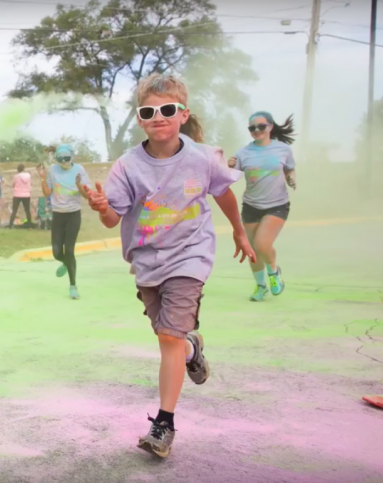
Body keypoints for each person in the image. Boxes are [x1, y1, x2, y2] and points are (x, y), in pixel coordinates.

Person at [82, 73, 255, 458]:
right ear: (140, 118)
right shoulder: (127, 166)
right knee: (170, 336)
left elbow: (223, 193)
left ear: (182, 113)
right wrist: (102, 207)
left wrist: (240, 232)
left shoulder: (201, 157)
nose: (158, 116)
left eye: (167, 109)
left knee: (166, 339)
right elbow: (113, 219)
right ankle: (193, 349)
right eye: (148, 111)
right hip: (147, 261)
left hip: (190, 255)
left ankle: (164, 424)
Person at [227, 112, 297, 302]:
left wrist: (291, 177)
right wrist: (228, 166)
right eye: (252, 128)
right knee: (252, 250)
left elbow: (290, 168)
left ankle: (274, 273)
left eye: (261, 126)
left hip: (277, 205)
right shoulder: (243, 153)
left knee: (262, 244)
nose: (256, 130)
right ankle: (260, 286)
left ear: (270, 127)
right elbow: (228, 177)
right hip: (251, 205)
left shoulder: (283, 149)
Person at [37, 144, 91, 300]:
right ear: (57, 159)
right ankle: (67, 264)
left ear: (71, 156)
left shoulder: (79, 170)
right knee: (56, 252)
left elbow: (87, 196)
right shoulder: (53, 170)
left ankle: (73, 285)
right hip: (58, 215)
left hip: (73, 215)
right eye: (61, 159)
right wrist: (42, 177)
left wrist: (80, 185)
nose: (64, 162)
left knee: (69, 250)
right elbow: (47, 193)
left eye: (67, 159)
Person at [9, 163, 32, 228]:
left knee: (14, 210)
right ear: (24, 169)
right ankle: (29, 225)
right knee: (27, 210)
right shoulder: (28, 175)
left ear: (17, 170)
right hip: (26, 194)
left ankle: (10, 225)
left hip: (17, 194)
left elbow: (13, 184)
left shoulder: (16, 176)